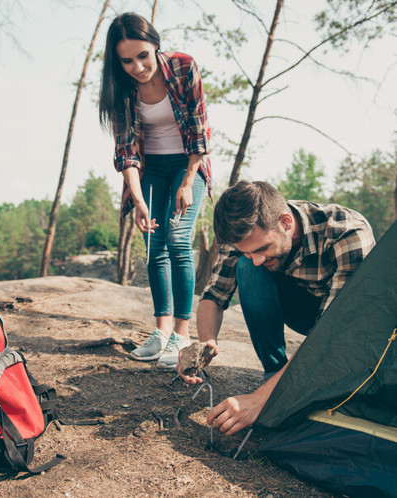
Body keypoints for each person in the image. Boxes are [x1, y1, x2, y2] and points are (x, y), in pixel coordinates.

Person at [178, 180, 375, 435]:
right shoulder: (243, 235)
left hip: (342, 323)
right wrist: (205, 344)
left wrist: (259, 400)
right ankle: (274, 372)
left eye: (263, 249)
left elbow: (330, 334)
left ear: (285, 222)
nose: (258, 258)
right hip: (300, 309)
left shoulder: (347, 233)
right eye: (247, 251)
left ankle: (277, 389)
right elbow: (214, 296)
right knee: (247, 268)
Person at [99, 12, 212, 369]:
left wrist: (188, 180)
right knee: (154, 245)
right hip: (148, 170)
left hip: (186, 164)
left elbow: (198, 130)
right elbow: (127, 152)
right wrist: (136, 200)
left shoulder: (183, 68)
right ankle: (161, 332)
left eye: (143, 56)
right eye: (127, 60)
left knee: (179, 240)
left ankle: (182, 334)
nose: (138, 67)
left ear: (155, 46)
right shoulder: (121, 89)